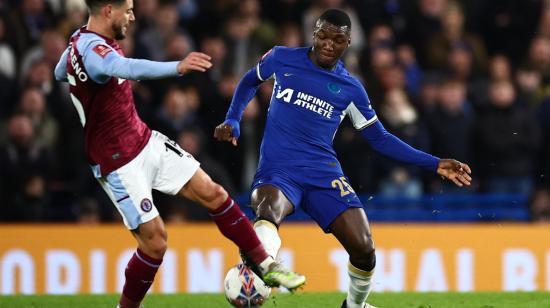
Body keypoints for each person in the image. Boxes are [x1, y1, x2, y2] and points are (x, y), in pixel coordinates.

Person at [53, 1, 305, 307]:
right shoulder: (93, 51)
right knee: (155, 243)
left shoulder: (79, 41)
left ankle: (265, 265)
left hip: (144, 141)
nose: (132, 16)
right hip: (118, 162)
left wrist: (78, 79)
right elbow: (124, 68)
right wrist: (177, 66)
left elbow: (59, 71)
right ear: (109, 10)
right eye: (128, 10)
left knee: (214, 193)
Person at [214, 9, 472, 308]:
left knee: (364, 249)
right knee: (267, 208)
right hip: (279, 170)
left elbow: (380, 138)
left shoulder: (351, 89)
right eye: (322, 36)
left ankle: (354, 306)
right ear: (314, 34)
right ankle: (266, 265)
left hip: (323, 174)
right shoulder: (282, 58)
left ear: (348, 43)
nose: (328, 44)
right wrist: (233, 118)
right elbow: (249, 81)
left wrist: (434, 162)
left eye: (337, 39)